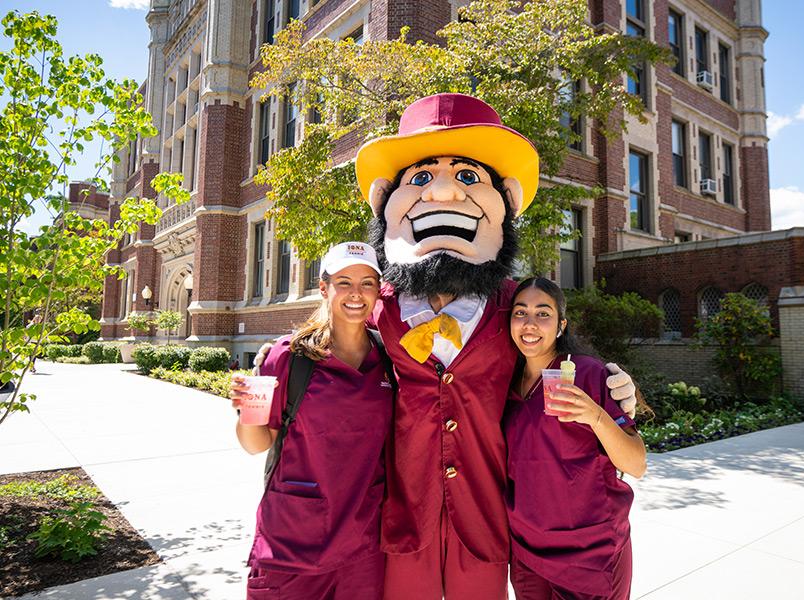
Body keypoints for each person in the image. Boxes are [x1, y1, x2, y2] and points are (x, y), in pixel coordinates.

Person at [245, 94, 640, 600]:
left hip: (484, 516)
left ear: (508, 201)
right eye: (422, 178)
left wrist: (612, 384)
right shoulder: (377, 305)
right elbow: (335, 329)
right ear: (386, 200)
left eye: (469, 177)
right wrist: (277, 356)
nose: (445, 194)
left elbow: (547, 355)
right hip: (404, 514)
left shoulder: (512, 308)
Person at [230, 242, 392, 600]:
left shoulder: (389, 360)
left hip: (363, 547)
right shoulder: (288, 357)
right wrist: (246, 412)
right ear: (323, 288)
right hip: (291, 546)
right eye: (344, 282)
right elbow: (257, 444)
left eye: (367, 283)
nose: (356, 293)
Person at [504, 277, 646, 600]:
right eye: (520, 313)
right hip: (527, 554)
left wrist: (595, 415)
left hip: (590, 556)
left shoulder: (587, 374)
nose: (530, 324)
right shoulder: (503, 384)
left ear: (560, 325)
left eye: (543, 314)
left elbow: (636, 463)